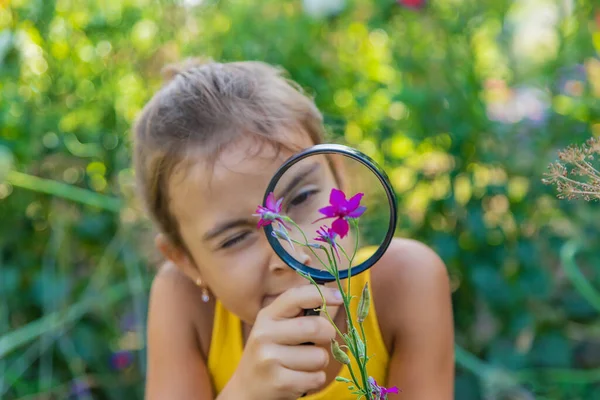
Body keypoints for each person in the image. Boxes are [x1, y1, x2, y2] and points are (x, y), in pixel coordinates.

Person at [134, 58, 454, 400]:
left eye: (300, 198)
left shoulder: (406, 281)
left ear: (339, 177)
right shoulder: (183, 303)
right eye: (236, 237)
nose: (290, 254)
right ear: (186, 262)